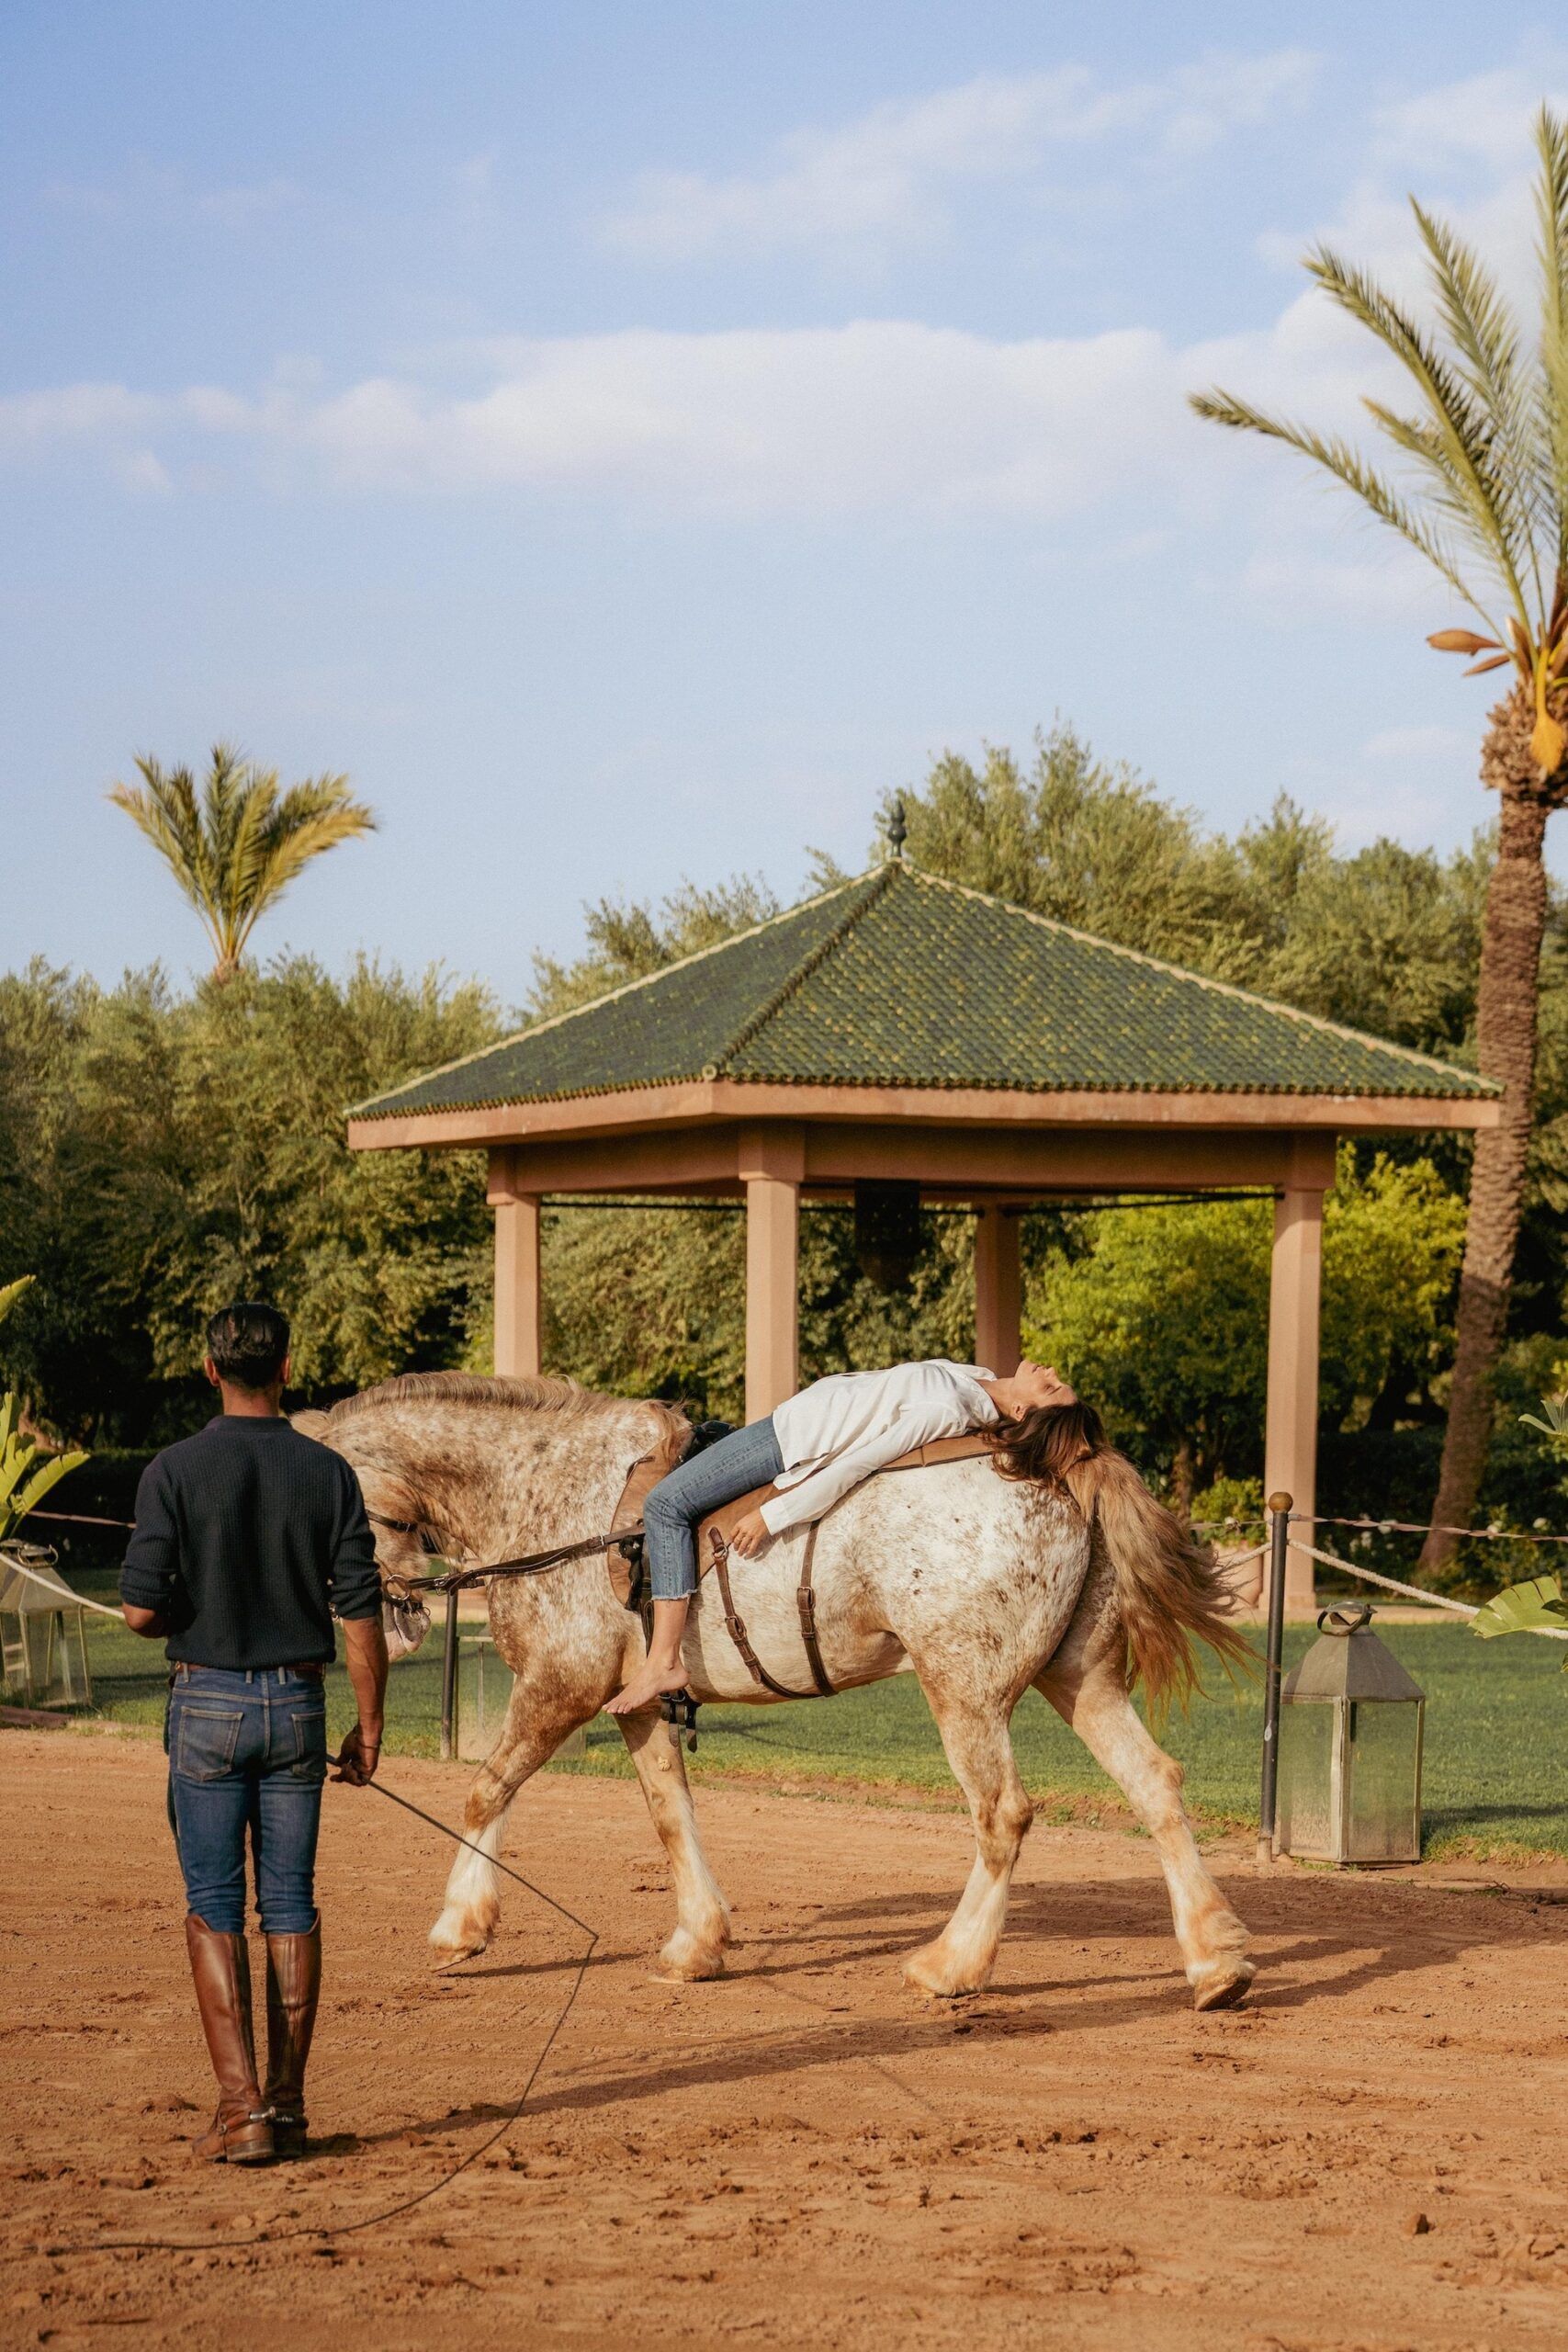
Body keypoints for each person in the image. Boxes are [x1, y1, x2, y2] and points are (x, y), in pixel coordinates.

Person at [119, 1303, 388, 2165]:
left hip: (205, 1707)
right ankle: (290, 2106)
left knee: (213, 1906)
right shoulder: (328, 1473)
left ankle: (241, 2116)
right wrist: (371, 1728)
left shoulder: (172, 1470)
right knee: (292, 1905)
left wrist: (185, 1614)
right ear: (285, 1370)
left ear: (210, 1370)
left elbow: (135, 1611)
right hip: (299, 1710)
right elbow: (359, 1611)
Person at [607, 1356, 1078, 1717]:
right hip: (789, 1423)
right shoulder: (976, 1376)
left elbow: (860, 1462)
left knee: (665, 1505)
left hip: (788, 1441)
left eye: (1051, 1387)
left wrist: (773, 1515)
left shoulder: (947, 1408)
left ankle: (663, 1660)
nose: (1051, 1371)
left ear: (1020, 1410)